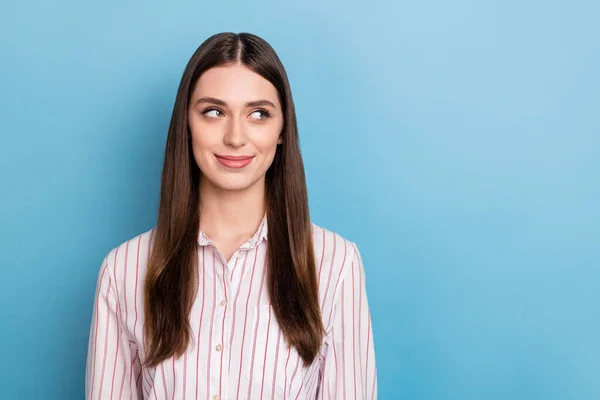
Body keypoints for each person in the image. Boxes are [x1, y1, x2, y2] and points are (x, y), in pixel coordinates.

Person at [85, 32, 377, 400]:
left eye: (259, 113)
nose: (235, 137)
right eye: (214, 112)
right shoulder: (123, 270)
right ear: (186, 125)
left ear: (282, 129)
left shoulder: (336, 264)